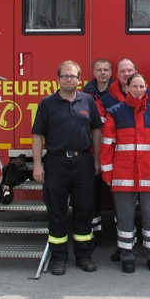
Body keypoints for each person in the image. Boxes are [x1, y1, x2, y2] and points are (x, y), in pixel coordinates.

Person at [31, 60, 102, 276]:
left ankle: (84, 256)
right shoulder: (47, 103)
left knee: (84, 210)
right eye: (65, 76)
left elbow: (96, 132)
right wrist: (37, 165)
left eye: (72, 76)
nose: (69, 79)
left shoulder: (88, 101)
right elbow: (37, 135)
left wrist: (97, 160)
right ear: (58, 79)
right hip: (56, 162)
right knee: (56, 211)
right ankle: (59, 258)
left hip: (83, 162)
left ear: (79, 80)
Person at [98, 58, 150, 262]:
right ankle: (127, 256)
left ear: (146, 88)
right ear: (127, 88)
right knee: (125, 217)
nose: (138, 90)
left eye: (141, 86)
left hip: (149, 174)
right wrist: (108, 172)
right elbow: (107, 145)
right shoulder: (115, 112)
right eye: (134, 86)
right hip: (123, 175)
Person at [82, 58, 115, 242]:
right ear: (94, 72)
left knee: (117, 194)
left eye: (106, 69)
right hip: (93, 151)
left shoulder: (118, 94)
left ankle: (120, 232)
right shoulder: (85, 94)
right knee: (91, 195)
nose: (103, 73)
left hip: (115, 153)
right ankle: (94, 233)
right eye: (99, 70)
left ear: (111, 73)